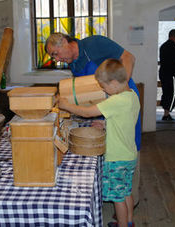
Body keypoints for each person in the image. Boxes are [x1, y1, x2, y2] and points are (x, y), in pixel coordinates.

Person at [45, 33, 142, 207]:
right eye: (53, 57)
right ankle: (116, 196)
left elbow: (129, 57)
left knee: (128, 142)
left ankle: (128, 199)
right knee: (111, 145)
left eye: (56, 53)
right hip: (105, 107)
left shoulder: (95, 43)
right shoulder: (74, 64)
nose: (57, 59)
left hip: (122, 103)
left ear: (66, 42)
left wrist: (120, 90)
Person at [58, 59, 140, 227]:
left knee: (118, 199)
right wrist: (105, 123)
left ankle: (122, 224)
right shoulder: (131, 96)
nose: (103, 90)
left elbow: (87, 113)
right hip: (129, 155)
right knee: (126, 192)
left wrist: (67, 105)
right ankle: (130, 222)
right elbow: (123, 120)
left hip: (116, 158)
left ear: (115, 83)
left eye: (104, 86)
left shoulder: (115, 101)